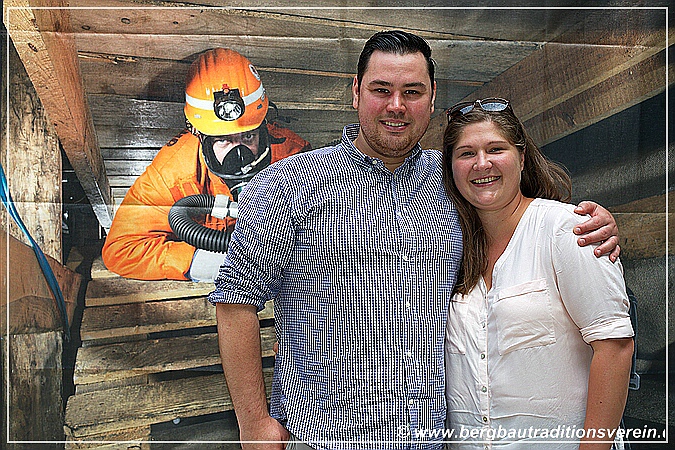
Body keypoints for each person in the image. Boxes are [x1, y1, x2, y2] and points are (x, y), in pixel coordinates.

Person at [209, 31, 620, 450]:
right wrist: (254, 422)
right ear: (356, 91)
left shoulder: (455, 179)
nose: (396, 105)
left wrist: (587, 224)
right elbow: (235, 300)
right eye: (381, 90)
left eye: (412, 91)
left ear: (432, 97)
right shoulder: (288, 184)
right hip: (325, 438)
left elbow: (516, 215)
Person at [442, 98, 634, 449]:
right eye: (466, 153)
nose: (481, 163)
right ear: (451, 168)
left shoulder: (566, 230)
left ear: (522, 157)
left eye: (495, 149)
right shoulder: (449, 245)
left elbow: (615, 346)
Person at [101, 48, 311, 281]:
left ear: (263, 125)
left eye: (248, 136)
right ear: (200, 135)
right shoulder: (173, 172)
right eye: (223, 140)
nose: (239, 153)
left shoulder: (293, 156)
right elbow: (121, 250)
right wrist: (208, 264)